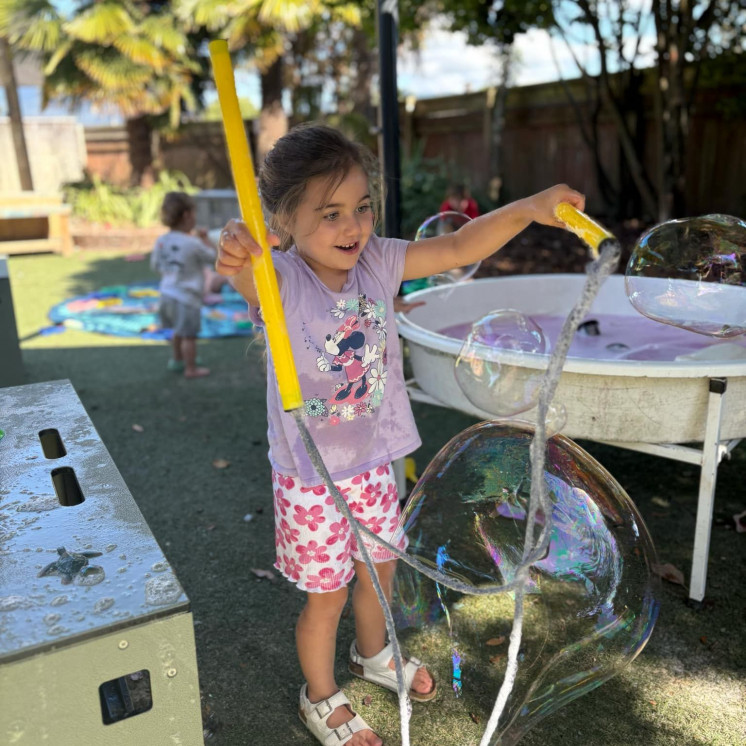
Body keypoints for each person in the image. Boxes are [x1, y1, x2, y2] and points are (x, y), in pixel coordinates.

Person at [216, 123, 584, 746]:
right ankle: (321, 694)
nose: (352, 226)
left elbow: (461, 246)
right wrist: (238, 256)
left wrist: (528, 207)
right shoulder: (280, 281)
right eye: (329, 214)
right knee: (325, 598)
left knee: (380, 573)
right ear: (283, 223)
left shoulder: (379, 262)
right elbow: (247, 276)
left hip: (375, 459)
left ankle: (372, 656)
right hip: (312, 477)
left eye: (360, 207)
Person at [151, 191, 215, 379]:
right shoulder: (193, 243)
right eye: (194, 213)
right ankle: (190, 368)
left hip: (166, 294)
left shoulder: (161, 241)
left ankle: (177, 360)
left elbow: (155, 265)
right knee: (189, 335)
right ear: (187, 215)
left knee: (177, 330)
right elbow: (212, 257)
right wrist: (205, 239)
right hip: (186, 297)